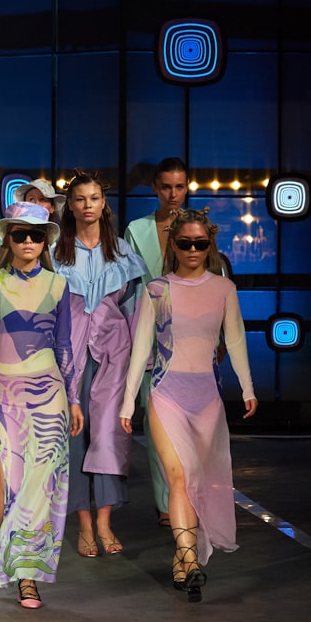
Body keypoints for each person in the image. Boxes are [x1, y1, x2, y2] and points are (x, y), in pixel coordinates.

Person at [121, 207, 257, 603]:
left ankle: (184, 563)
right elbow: (140, 350)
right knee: (178, 478)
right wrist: (129, 402)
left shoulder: (223, 290)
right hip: (166, 394)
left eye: (201, 243)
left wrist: (247, 388)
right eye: (185, 243)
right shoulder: (156, 290)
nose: (194, 249)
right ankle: (188, 557)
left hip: (208, 399)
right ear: (174, 246)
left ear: (209, 243)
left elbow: (234, 341)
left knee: (196, 481)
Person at [0, 201, 82, 609]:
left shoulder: (57, 285)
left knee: (41, 485)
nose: (29, 241)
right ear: (8, 239)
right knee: (13, 485)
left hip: (50, 394)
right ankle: (7, 553)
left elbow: (65, 345)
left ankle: (26, 575)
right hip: (5, 396)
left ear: (46, 239)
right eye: (21, 234)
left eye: (37, 235)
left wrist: (74, 397)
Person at [51, 170, 147, 559]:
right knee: (73, 438)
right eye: (80, 199)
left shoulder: (123, 253)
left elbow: (136, 315)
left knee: (109, 434)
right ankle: (84, 525)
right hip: (67, 356)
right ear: (69, 205)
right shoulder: (55, 253)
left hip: (113, 353)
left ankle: (105, 521)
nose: (87, 205)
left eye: (94, 198)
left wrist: (141, 365)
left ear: (103, 203)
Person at [124, 157, 189, 528]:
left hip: (191, 335)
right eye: (166, 186)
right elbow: (133, 289)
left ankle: (186, 494)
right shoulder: (138, 229)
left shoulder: (199, 226)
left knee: (190, 422)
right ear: (155, 188)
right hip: (151, 336)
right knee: (156, 420)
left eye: (179, 186)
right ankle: (166, 502)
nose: (173, 194)